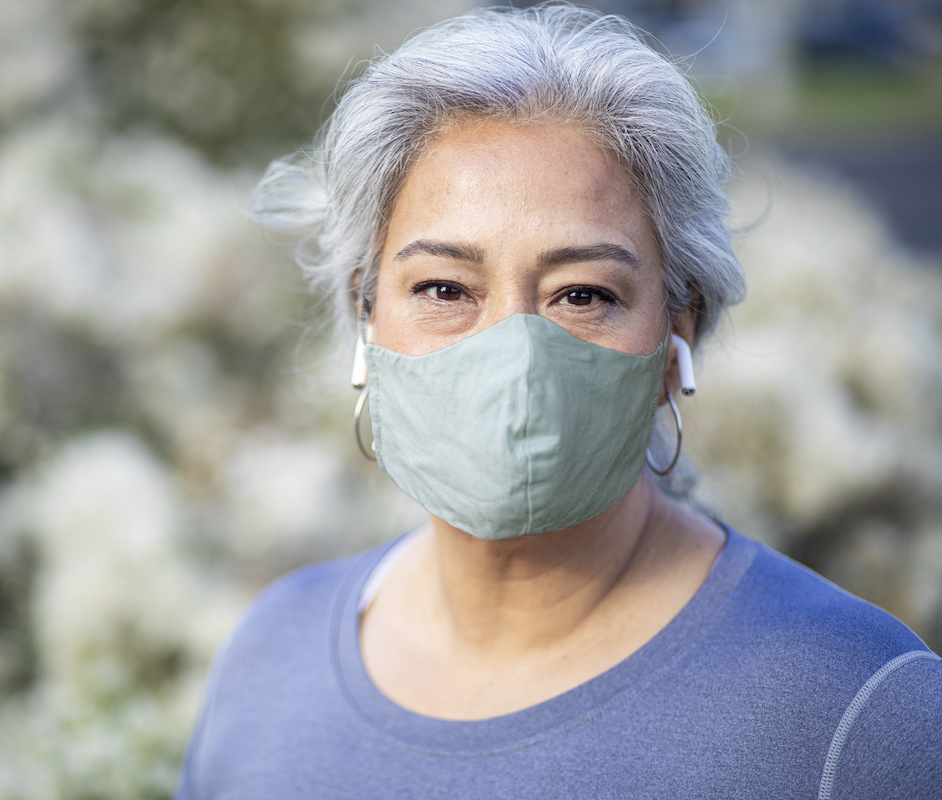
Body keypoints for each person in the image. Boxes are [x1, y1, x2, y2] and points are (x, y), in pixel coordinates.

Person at [175, 5, 942, 798]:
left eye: (582, 293)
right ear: (366, 314)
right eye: (443, 287)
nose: (516, 358)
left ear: (675, 336)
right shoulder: (269, 662)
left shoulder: (858, 712)